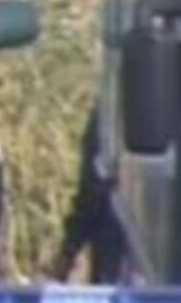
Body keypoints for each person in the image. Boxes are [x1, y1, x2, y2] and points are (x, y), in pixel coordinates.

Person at [48, 105, 125, 284]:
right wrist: (69, 248)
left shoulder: (112, 115)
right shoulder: (111, 113)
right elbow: (92, 190)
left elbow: (92, 191)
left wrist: (69, 250)